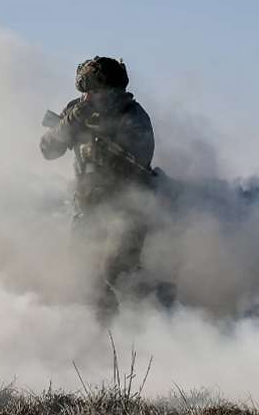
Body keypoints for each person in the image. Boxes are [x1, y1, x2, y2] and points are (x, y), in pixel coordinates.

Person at [40, 56, 161, 322]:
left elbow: (140, 160)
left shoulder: (133, 115)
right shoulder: (77, 111)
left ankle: (163, 313)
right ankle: (104, 330)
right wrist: (72, 122)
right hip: (87, 207)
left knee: (119, 271)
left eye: (98, 92)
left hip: (127, 209)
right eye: (89, 93)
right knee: (83, 273)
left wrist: (110, 149)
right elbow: (49, 149)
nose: (92, 98)